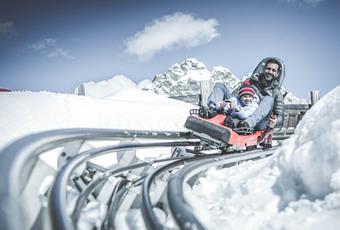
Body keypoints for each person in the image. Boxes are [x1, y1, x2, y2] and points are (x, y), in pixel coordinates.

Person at [207, 57, 284, 131]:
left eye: (273, 70)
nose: (270, 72)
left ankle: (247, 123)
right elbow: (235, 96)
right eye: (268, 69)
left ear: (277, 74)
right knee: (220, 85)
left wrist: (276, 122)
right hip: (240, 110)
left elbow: (280, 117)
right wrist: (228, 104)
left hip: (258, 122)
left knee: (269, 99)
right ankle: (211, 110)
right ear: (264, 69)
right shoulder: (250, 82)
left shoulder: (276, 92)